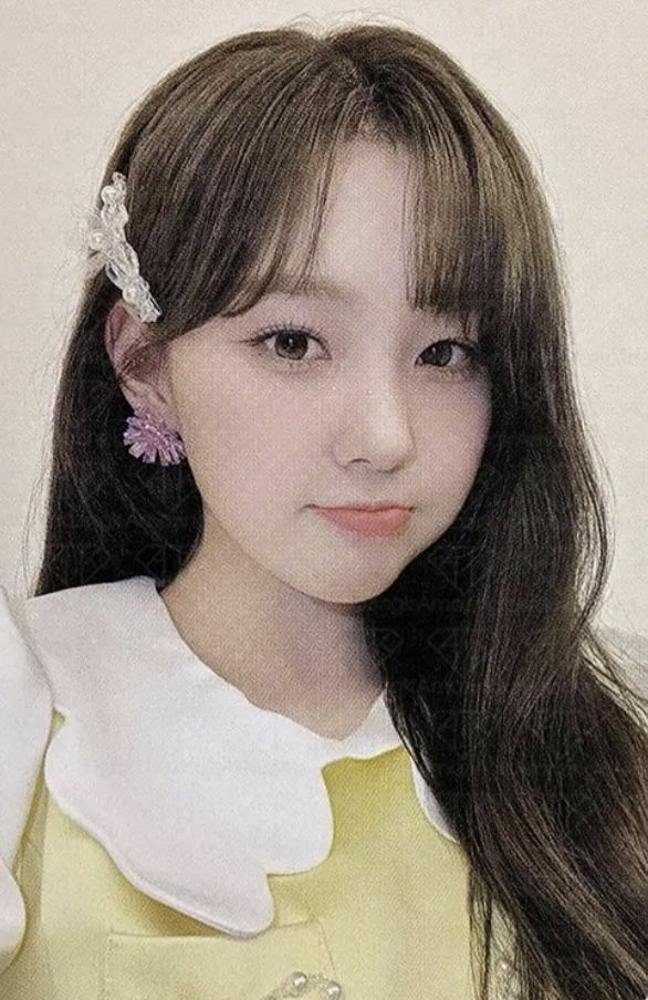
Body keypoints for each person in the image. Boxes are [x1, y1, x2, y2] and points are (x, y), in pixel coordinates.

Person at [1, 19, 647, 1000]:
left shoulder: (598, 746)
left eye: (445, 353)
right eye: (295, 343)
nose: (385, 437)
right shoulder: (28, 714)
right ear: (144, 363)